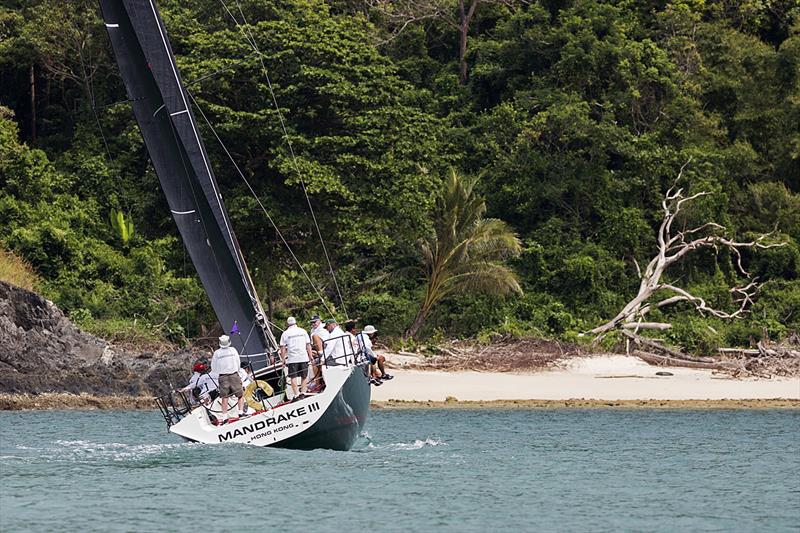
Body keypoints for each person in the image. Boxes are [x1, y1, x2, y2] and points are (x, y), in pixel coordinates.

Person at [211, 334, 245, 423]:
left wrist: (220, 371)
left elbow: (213, 367)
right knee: (240, 394)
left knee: (224, 397)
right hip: (234, 375)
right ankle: (240, 412)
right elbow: (238, 362)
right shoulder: (233, 350)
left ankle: (225, 416)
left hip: (223, 377)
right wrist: (236, 370)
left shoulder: (217, 353)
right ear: (229, 342)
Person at [279, 316, 314, 401]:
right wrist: (311, 356)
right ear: (296, 322)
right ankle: (303, 392)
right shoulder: (303, 331)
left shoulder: (285, 333)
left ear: (288, 324)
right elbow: (308, 345)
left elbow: (282, 347)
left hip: (292, 358)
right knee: (304, 376)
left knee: (293, 377)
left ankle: (296, 394)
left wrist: (283, 360)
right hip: (303, 356)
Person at [308, 315, 327, 389]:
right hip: (317, 350)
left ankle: (317, 382)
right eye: (312, 323)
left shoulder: (323, 328)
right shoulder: (312, 330)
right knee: (313, 361)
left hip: (325, 348)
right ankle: (317, 383)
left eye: (314, 322)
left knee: (315, 336)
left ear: (319, 321)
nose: (313, 324)